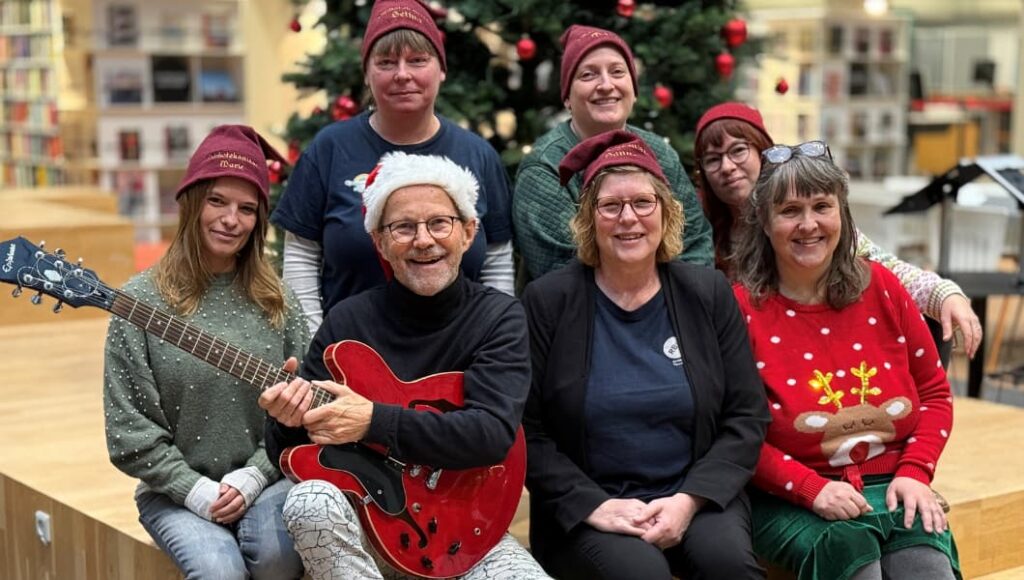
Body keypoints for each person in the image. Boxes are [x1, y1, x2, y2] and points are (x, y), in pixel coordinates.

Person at [261, 151, 551, 580]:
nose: (423, 240)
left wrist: (372, 421)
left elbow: (490, 435)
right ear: (379, 241)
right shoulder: (347, 321)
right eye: (403, 227)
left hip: (465, 531)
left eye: (439, 223)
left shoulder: (499, 317)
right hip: (366, 532)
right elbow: (285, 450)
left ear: (468, 232)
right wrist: (286, 419)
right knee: (308, 501)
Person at [520, 130, 770, 580]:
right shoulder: (547, 301)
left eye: (642, 203)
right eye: (610, 206)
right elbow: (528, 432)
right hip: (591, 505)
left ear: (666, 214)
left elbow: (747, 416)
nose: (627, 218)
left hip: (695, 494)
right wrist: (594, 505)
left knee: (729, 567)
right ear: (589, 219)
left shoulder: (707, 292)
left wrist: (689, 500)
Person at [731, 145, 960, 580]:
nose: (808, 224)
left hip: (894, 481)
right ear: (764, 221)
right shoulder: (741, 309)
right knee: (851, 554)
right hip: (788, 493)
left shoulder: (884, 288)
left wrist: (915, 472)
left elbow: (933, 393)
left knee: (927, 567)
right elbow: (734, 432)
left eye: (822, 206)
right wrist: (812, 489)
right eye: (790, 210)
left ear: (842, 213)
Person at [103, 125, 309, 580]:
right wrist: (194, 490)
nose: (231, 219)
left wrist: (254, 475)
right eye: (217, 201)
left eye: (247, 208)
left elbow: (305, 407)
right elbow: (127, 432)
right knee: (220, 572)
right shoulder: (138, 302)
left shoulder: (277, 300)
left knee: (276, 561)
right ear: (192, 202)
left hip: (266, 478)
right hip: (174, 490)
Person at [273, 0, 514, 334]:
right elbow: (301, 256)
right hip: (350, 361)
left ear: (441, 69)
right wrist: (317, 345)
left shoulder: (477, 154)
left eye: (417, 60)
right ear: (367, 74)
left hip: (461, 361)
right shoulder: (329, 148)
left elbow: (497, 261)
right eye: (386, 62)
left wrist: (496, 340)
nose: (403, 74)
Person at [694, 102, 982, 360]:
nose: (727, 167)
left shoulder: (812, 216)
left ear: (764, 152)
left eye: (738, 151)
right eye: (712, 159)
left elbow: (887, 269)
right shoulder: (699, 231)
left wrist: (944, 293)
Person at [513, 24, 714, 282]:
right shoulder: (544, 168)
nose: (606, 85)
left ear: (633, 89)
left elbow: (696, 242)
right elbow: (560, 273)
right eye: (588, 75)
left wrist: (673, 306)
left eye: (618, 72)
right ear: (566, 98)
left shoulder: (661, 153)